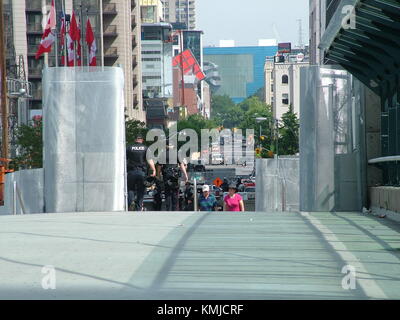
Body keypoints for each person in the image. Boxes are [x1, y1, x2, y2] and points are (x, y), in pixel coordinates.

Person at [126, 134, 156, 211]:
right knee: (141, 191)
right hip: (141, 172)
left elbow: (124, 159)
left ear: (135, 140)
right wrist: (154, 170)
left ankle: (130, 203)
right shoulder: (146, 148)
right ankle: (138, 208)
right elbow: (149, 160)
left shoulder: (129, 148)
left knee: (130, 189)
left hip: (131, 172)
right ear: (142, 140)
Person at [157, 142, 189, 211]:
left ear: (166, 146)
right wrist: (185, 175)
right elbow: (181, 165)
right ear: (173, 146)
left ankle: (168, 210)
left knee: (167, 193)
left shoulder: (162, 154)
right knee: (175, 193)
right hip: (175, 175)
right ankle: (175, 210)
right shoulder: (177, 153)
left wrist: (158, 175)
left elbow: (159, 166)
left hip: (166, 175)